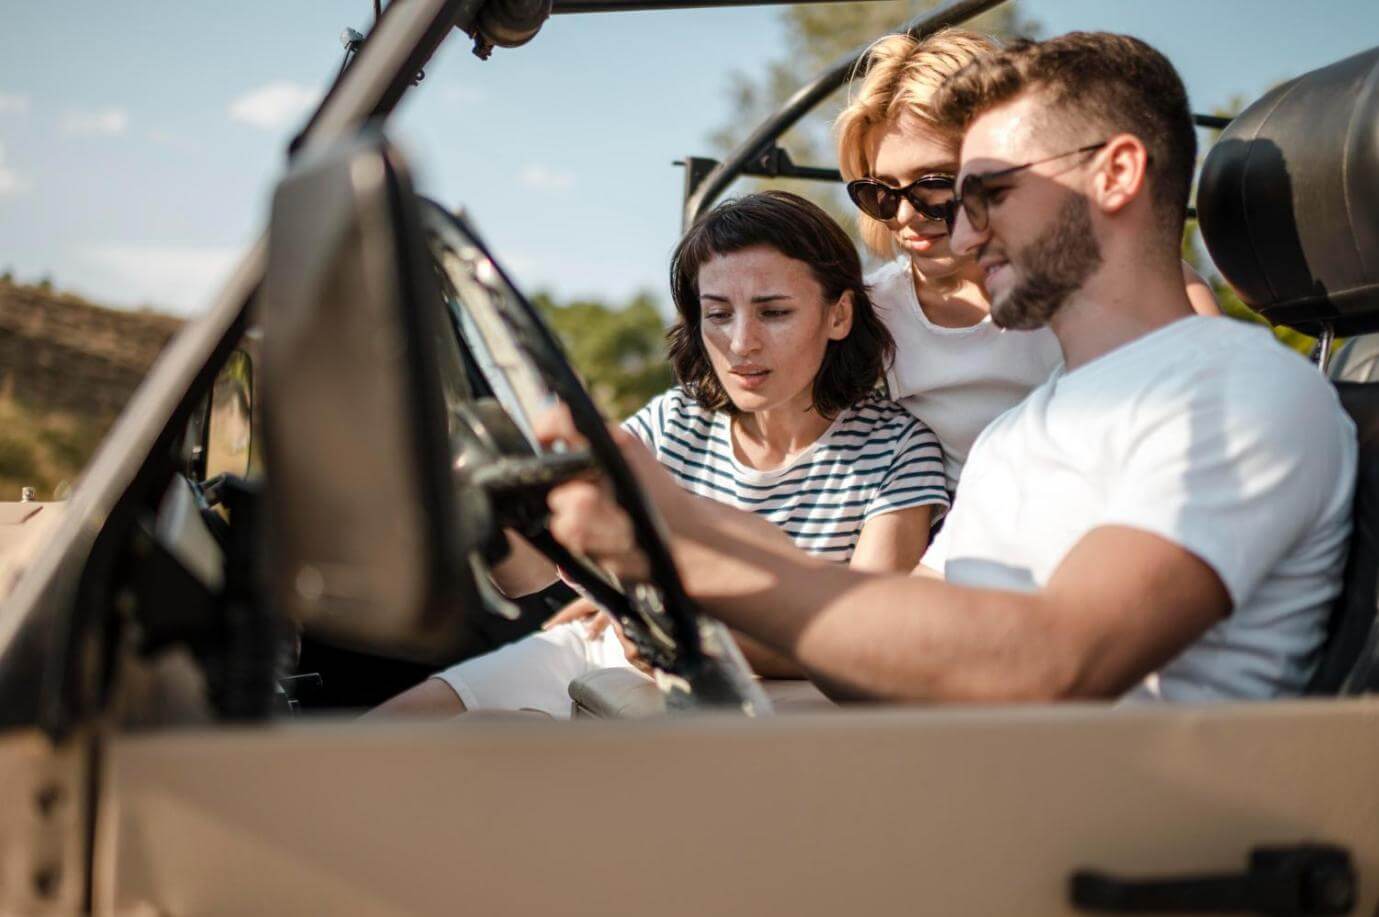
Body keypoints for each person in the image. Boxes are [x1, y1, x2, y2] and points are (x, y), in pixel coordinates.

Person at [539, 32, 1356, 704]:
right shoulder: (1015, 436)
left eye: (988, 193)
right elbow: (884, 649)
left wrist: (686, 551)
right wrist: (674, 543)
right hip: (958, 768)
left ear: (1114, 174)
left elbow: (1055, 661)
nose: (958, 236)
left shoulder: (1238, 392)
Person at [372, 191, 948, 718]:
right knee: (388, 732)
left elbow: (868, 644)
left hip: (726, 679)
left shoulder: (898, 451)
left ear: (839, 315)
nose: (741, 342)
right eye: (717, 314)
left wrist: (681, 634)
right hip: (616, 642)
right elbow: (527, 577)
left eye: (774, 312)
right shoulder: (673, 419)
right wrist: (482, 496)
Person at [835, 29, 1220, 494]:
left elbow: (1215, 406)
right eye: (880, 192)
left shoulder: (1125, 285)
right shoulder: (868, 314)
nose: (903, 215)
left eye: (934, 185)